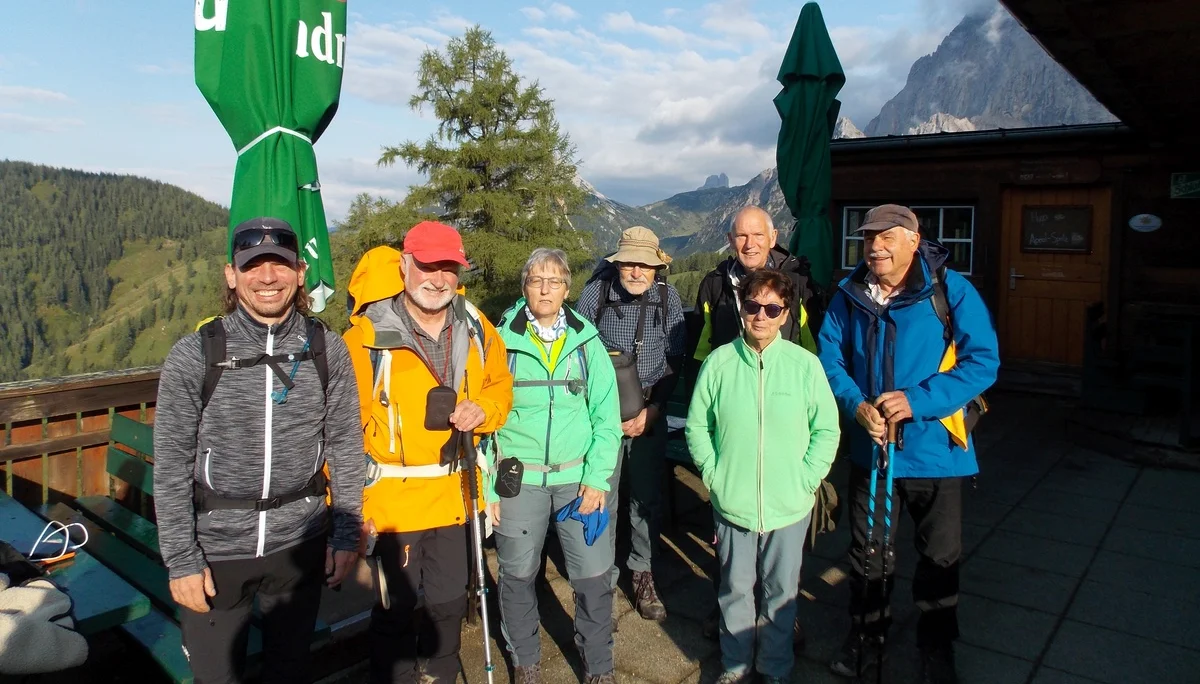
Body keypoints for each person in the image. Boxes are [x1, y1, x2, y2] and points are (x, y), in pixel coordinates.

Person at [154, 217, 365, 684]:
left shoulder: (327, 349)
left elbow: (347, 445)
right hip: (217, 554)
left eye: (280, 264)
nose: (268, 277)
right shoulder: (195, 354)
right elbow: (169, 466)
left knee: (289, 673)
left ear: (300, 271)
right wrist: (181, 560)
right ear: (231, 274)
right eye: (253, 265)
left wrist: (346, 535)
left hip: (301, 546)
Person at [816, 205, 999, 684]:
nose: (874, 246)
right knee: (867, 552)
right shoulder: (848, 293)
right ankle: (866, 635)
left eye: (887, 236)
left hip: (937, 452)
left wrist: (916, 401)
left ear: (914, 241)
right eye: (868, 237)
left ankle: (936, 647)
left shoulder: (949, 289)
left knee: (939, 557)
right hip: (873, 452)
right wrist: (856, 403)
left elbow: (983, 362)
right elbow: (829, 357)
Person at [342, 221, 513, 684]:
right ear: (404, 265)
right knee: (394, 609)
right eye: (427, 266)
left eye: (449, 268)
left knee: (449, 602)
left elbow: (501, 385)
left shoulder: (476, 326)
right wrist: (347, 509)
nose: (438, 279)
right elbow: (338, 431)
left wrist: (487, 410)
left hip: (459, 491)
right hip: (394, 501)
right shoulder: (364, 340)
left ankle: (440, 673)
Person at [686, 269, 839, 684]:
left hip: (789, 505)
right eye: (753, 305)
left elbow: (827, 429)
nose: (761, 315)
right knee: (734, 591)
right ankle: (735, 667)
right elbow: (698, 427)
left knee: (781, 596)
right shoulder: (719, 363)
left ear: (785, 314)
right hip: (732, 502)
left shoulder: (805, 366)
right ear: (741, 307)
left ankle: (775, 669)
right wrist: (715, 477)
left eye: (772, 308)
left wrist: (806, 479)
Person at [489, 248, 623, 684]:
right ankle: (525, 661)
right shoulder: (498, 341)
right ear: (524, 285)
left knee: (594, 580)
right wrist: (489, 487)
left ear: (567, 289)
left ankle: (598, 667)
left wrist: (597, 478)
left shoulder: (588, 343)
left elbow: (607, 418)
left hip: (578, 480)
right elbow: (485, 422)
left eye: (554, 281)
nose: (544, 289)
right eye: (536, 280)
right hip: (517, 480)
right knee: (516, 577)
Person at [575, 226, 686, 626]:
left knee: (645, 498)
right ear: (618, 263)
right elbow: (576, 353)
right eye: (630, 263)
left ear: (657, 267)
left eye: (645, 264)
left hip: (648, 415)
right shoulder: (595, 294)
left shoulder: (667, 299)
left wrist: (653, 411)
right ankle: (600, 576)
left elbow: (675, 359)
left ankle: (642, 572)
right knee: (601, 496)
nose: (637, 271)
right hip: (600, 419)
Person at [690, 205, 820, 360]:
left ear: (773, 238)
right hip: (731, 380)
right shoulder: (714, 284)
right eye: (741, 236)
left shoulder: (797, 282)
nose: (749, 244)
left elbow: (812, 349)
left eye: (758, 235)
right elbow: (699, 351)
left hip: (784, 380)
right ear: (731, 240)